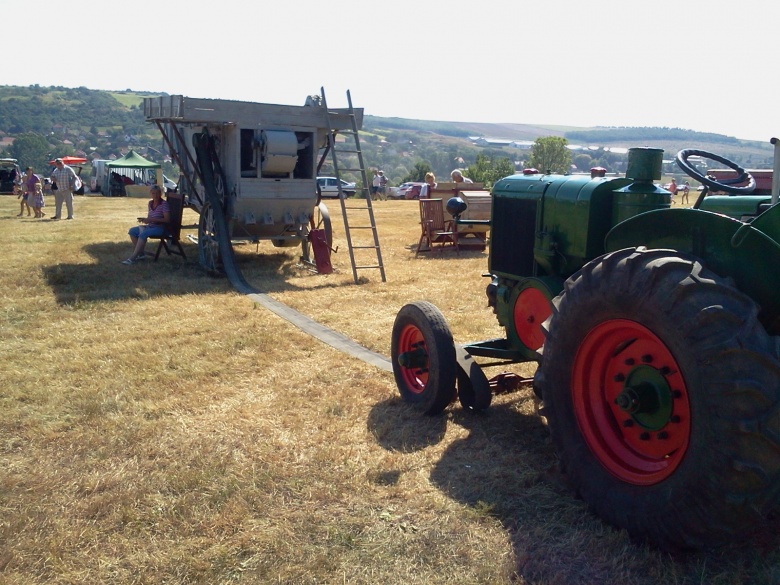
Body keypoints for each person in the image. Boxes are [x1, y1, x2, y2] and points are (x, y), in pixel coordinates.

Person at [122, 185, 170, 265]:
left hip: (160, 228)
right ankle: (141, 254)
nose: (155, 195)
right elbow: (150, 217)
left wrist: (151, 220)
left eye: (157, 193)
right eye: (153, 193)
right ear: (150, 194)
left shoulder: (164, 204)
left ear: (161, 194)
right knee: (132, 231)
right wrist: (145, 220)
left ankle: (133, 258)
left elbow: (167, 220)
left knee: (143, 234)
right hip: (150, 226)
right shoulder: (150, 203)